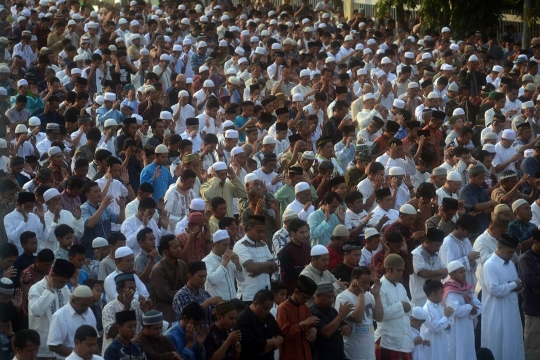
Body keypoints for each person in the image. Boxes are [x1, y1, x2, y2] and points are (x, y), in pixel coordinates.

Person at [481, 233, 525, 360]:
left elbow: (517, 283)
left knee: (513, 342)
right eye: (509, 252)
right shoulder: (490, 265)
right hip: (496, 313)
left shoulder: (510, 263)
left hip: (511, 311)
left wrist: (515, 286)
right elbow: (494, 289)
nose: (512, 255)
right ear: (499, 247)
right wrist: (512, 286)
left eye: (513, 252)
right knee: (497, 343)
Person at [28, 258, 75, 359]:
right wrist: (48, 289)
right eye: (62, 282)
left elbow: (72, 308)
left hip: (61, 345)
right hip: (42, 347)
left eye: (66, 282)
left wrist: (75, 285)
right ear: (53, 275)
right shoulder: (37, 288)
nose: (64, 285)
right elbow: (37, 311)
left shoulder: (64, 288)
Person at [335, 266, 383, 360]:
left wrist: (377, 296)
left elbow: (379, 317)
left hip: (369, 354)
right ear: (354, 281)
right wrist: (361, 295)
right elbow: (358, 318)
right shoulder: (342, 298)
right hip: (352, 354)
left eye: (369, 282)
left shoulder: (369, 296)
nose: (368, 286)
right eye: (364, 282)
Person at [375, 254, 413, 359]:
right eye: (398, 270)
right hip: (387, 340)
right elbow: (382, 314)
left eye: (402, 271)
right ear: (388, 269)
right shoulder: (379, 287)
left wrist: (405, 307)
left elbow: (410, 308)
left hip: (404, 340)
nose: (401, 274)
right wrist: (401, 305)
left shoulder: (401, 287)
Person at [233, 215, 277, 304]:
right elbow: (251, 267)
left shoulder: (263, 244)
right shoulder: (240, 245)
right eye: (259, 231)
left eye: (263, 231)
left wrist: (259, 270)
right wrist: (268, 264)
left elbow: (275, 267)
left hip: (265, 294)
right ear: (249, 229)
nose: (261, 234)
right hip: (249, 296)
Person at [443, 260, 482, 360]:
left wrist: (472, 310)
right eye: (460, 272)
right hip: (456, 328)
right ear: (452, 274)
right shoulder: (449, 291)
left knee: (468, 351)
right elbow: (455, 311)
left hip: (468, 327)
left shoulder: (467, 288)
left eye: (464, 271)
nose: (464, 274)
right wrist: (470, 307)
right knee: (457, 352)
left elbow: (480, 306)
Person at [47, 285, 97, 359]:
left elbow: (95, 338)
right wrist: (78, 355)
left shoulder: (89, 311)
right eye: (84, 305)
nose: (86, 308)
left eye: (89, 305)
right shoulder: (59, 316)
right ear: (73, 301)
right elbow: (53, 346)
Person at [101, 272, 146, 355]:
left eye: (134, 288)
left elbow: (145, 328)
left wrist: (146, 312)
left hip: (133, 350)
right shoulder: (109, 308)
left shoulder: (136, 304)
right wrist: (126, 308)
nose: (133, 291)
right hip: (114, 353)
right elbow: (111, 333)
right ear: (119, 290)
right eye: (130, 288)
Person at [276, 275, 318, 360]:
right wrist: (301, 325)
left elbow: (312, 322)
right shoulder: (283, 308)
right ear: (297, 292)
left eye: (308, 299)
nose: (306, 301)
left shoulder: (304, 307)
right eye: (305, 298)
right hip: (290, 354)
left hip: (305, 354)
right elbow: (283, 333)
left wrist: (314, 329)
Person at [234, 289, 284, 360]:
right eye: (265, 309)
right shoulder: (242, 320)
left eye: (269, 309)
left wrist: (274, 343)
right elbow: (251, 345)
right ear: (255, 304)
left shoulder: (268, 317)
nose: (267, 311)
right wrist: (272, 342)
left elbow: (280, 334)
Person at [149, 235, 187, 323]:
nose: (179, 249)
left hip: (180, 303)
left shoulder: (182, 264)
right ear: (166, 251)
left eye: (179, 246)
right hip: (163, 309)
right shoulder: (158, 269)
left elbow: (186, 286)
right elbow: (165, 295)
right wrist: (184, 297)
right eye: (175, 247)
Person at [310, 282, 352, 360]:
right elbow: (326, 332)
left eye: (333, 297)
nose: (331, 300)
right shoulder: (312, 312)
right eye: (328, 297)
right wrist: (341, 315)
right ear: (318, 296)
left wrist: (347, 327)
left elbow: (342, 324)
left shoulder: (332, 310)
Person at [173, 261, 221, 326]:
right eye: (200, 276)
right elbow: (187, 317)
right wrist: (207, 302)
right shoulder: (180, 295)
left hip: (208, 334)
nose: (204, 279)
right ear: (190, 276)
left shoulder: (204, 293)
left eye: (205, 276)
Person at [439, 214, 480, 289]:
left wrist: (472, 261)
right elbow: (449, 268)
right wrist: (467, 259)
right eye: (468, 232)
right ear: (461, 228)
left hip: (468, 281)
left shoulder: (466, 240)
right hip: (453, 285)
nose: (470, 235)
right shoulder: (447, 242)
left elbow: (473, 263)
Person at [202, 230, 245, 300]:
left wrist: (237, 264)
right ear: (215, 244)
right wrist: (224, 263)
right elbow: (213, 281)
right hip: (218, 304)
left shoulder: (229, 259)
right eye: (225, 245)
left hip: (232, 302)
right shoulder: (206, 261)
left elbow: (242, 279)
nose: (227, 248)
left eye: (228, 244)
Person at [410, 228, 447, 307]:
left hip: (435, 298)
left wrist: (439, 273)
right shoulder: (416, 254)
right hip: (420, 299)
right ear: (427, 241)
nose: (438, 248)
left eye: (440, 245)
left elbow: (445, 272)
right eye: (436, 245)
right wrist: (439, 272)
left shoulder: (436, 254)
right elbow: (422, 273)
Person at [518, 230, 540, 360]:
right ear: (535, 242)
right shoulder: (525, 259)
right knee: (532, 347)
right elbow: (530, 279)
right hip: (533, 309)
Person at [420, 279, 453, 360]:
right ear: (434, 294)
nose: (443, 294)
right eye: (441, 292)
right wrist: (446, 317)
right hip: (432, 347)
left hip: (441, 345)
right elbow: (435, 328)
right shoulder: (427, 310)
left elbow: (448, 325)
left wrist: (446, 322)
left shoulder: (440, 307)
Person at [278, 219, 311, 295]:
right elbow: (289, 272)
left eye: (306, 232)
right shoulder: (286, 251)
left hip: (306, 289)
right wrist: (305, 268)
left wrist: (300, 267)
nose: (305, 235)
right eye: (301, 232)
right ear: (292, 233)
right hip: (292, 291)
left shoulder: (307, 247)